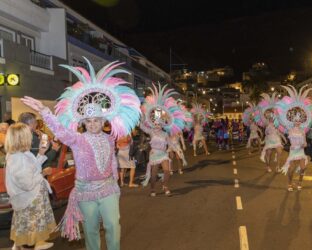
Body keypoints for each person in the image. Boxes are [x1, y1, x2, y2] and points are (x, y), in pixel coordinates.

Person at [21, 59, 141, 250]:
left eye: (96, 120)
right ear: (83, 123)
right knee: (91, 229)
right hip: (85, 192)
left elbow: (111, 162)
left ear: (103, 122)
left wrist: (116, 185)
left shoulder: (110, 139)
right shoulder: (78, 139)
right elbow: (60, 131)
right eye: (89, 121)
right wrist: (44, 111)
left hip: (108, 189)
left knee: (112, 225)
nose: (93, 124)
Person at [5, 123, 55, 250]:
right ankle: (29, 245)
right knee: (30, 231)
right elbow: (28, 184)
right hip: (29, 199)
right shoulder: (18, 158)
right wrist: (43, 173)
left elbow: (31, 169)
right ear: (22, 138)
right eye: (29, 135)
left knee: (27, 227)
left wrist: (41, 153)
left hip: (30, 198)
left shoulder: (20, 154)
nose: (32, 138)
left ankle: (30, 244)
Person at [140, 84, 187, 197]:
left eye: (160, 122)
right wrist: (142, 117)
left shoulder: (165, 133)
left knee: (167, 171)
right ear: (153, 122)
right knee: (153, 175)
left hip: (163, 154)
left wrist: (178, 150)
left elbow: (170, 143)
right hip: (154, 154)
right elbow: (142, 126)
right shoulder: (151, 131)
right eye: (156, 122)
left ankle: (165, 186)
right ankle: (152, 189)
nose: (158, 124)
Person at [276, 85, 312, 191]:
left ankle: (299, 182)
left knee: (303, 168)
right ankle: (289, 183)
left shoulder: (303, 130)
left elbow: (305, 143)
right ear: (292, 120)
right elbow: (280, 121)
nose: (297, 121)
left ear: (301, 121)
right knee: (291, 169)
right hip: (293, 152)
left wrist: (304, 144)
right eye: (295, 119)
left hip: (301, 151)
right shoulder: (289, 129)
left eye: (299, 120)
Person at [255, 93, 284, 173]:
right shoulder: (266, 122)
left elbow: (280, 129)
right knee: (268, 153)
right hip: (269, 139)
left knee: (279, 151)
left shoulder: (277, 122)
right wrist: (260, 109)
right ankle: (267, 166)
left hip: (277, 139)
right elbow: (261, 115)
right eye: (269, 114)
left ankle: (278, 166)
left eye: (272, 114)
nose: (270, 115)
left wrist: (283, 138)